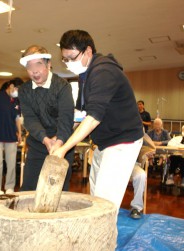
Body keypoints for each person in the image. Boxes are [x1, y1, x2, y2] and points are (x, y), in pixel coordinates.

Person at [53, 29, 143, 209]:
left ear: (87, 51)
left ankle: (105, 237)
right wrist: (60, 139)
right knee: (95, 195)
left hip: (122, 140)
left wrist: (64, 149)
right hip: (104, 142)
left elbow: (94, 117)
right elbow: (82, 114)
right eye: (65, 59)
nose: (68, 63)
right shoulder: (85, 75)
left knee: (105, 201)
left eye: (71, 57)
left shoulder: (104, 71)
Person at [18, 45, 75, 191]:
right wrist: (45, 139)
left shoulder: (62, 86)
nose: (34, 70)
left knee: (57, 190)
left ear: (48, 65)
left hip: (62, 144)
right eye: (29, 66)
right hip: (38, 143)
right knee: (29, 189)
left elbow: (66, 118)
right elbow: (30, 119)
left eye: (38, 64)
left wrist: (59, 141)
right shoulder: (24, 90)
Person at [0, 78, 23, 195]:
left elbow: (17, 118)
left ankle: (9, 187)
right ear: (11, 86)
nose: (17, 91)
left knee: (11, 162)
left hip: (11, 135)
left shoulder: (16, 101)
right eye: (17, 88)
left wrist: (19, 133)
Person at [129, 134, 156, 219]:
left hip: (132, 164)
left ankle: (136, 208)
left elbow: (148, 146)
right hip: (113, 163)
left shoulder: (138, 128)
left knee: (141, 175)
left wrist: (148, 152)